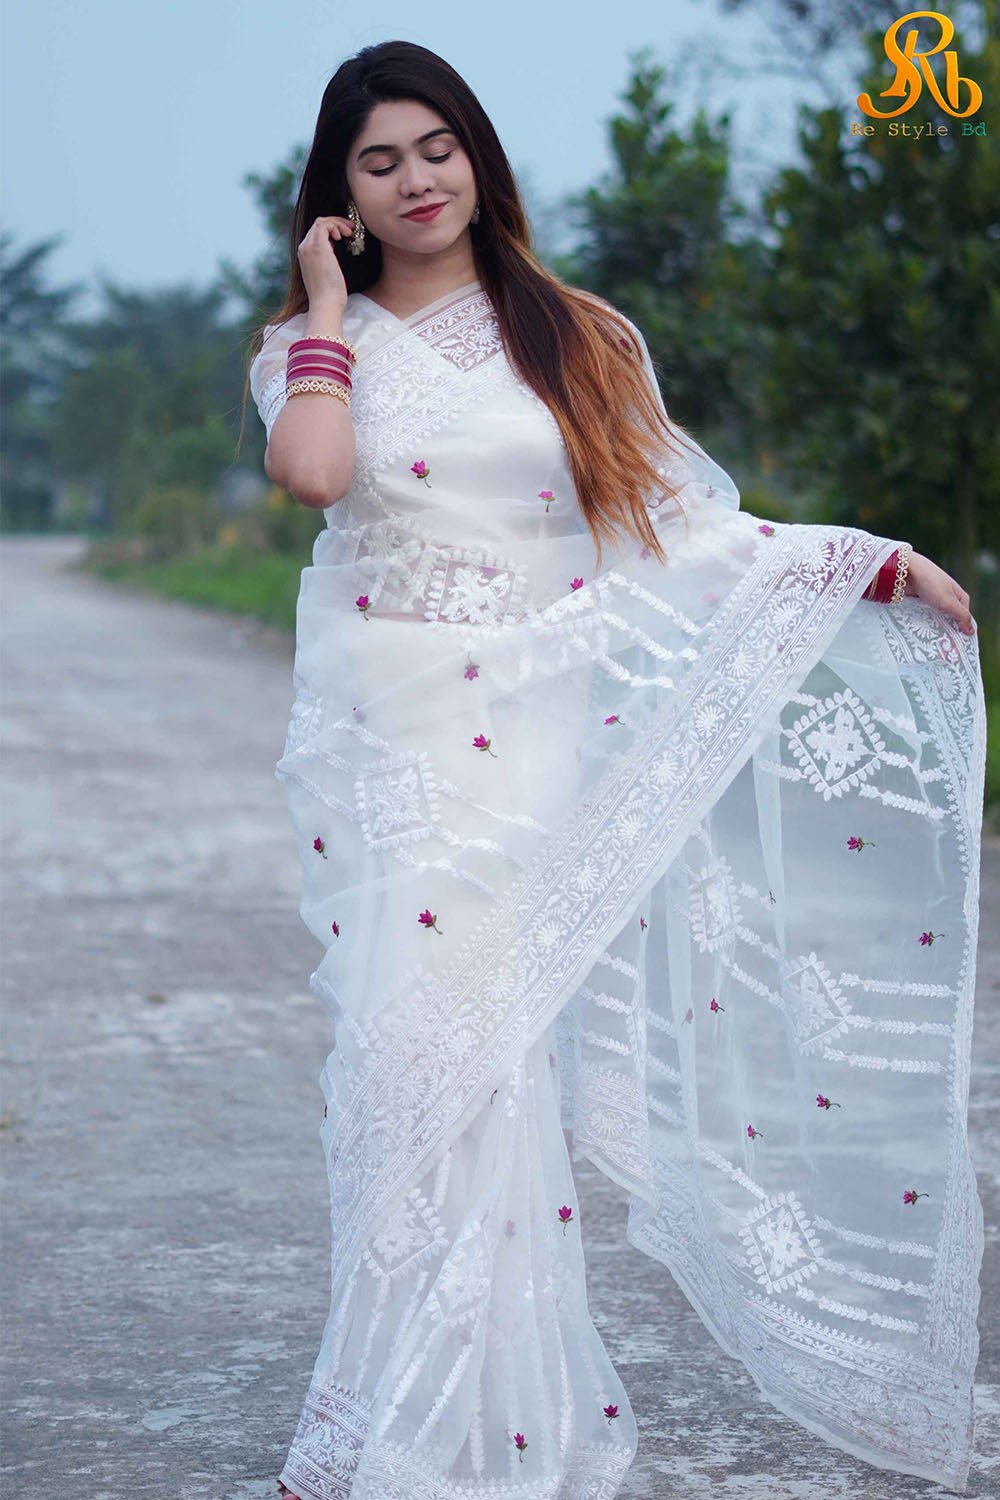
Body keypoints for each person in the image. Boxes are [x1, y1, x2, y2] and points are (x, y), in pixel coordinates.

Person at [246, 39, 985, 1500]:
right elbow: (314, 477)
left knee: (492, 1071)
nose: (416, 182)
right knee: (402, 1062)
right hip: (392, 747)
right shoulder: (310, 348)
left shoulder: (577, 333)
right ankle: (398, 1421)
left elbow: (676, 526)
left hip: (529, 742)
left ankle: (476, 1435)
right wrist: (327, 311)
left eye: (438, 149)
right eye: (379, 162)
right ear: (339, 193)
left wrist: (863, 564)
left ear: (479, 158)